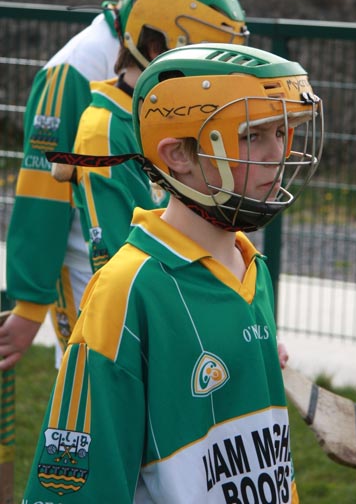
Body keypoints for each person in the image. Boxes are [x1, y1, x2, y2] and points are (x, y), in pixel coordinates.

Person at [23, 42, 323, 503]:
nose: (277, 153)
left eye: (283, 133)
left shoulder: (249, 267)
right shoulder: (127, 291)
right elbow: (79, 485)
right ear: (178, 155)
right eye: (252, 136)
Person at [0, 0, 220, 370]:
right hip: (92, 274)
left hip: (166, 271)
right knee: (97, 399)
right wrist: (29, 305)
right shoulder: (76, 69)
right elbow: (44, 190)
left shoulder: (188, 64)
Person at [69, 0, 248, 274]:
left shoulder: (178, 117)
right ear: (156, 48)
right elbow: (120, 277)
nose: (218, 72)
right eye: (206, 51)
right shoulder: (106, 132)